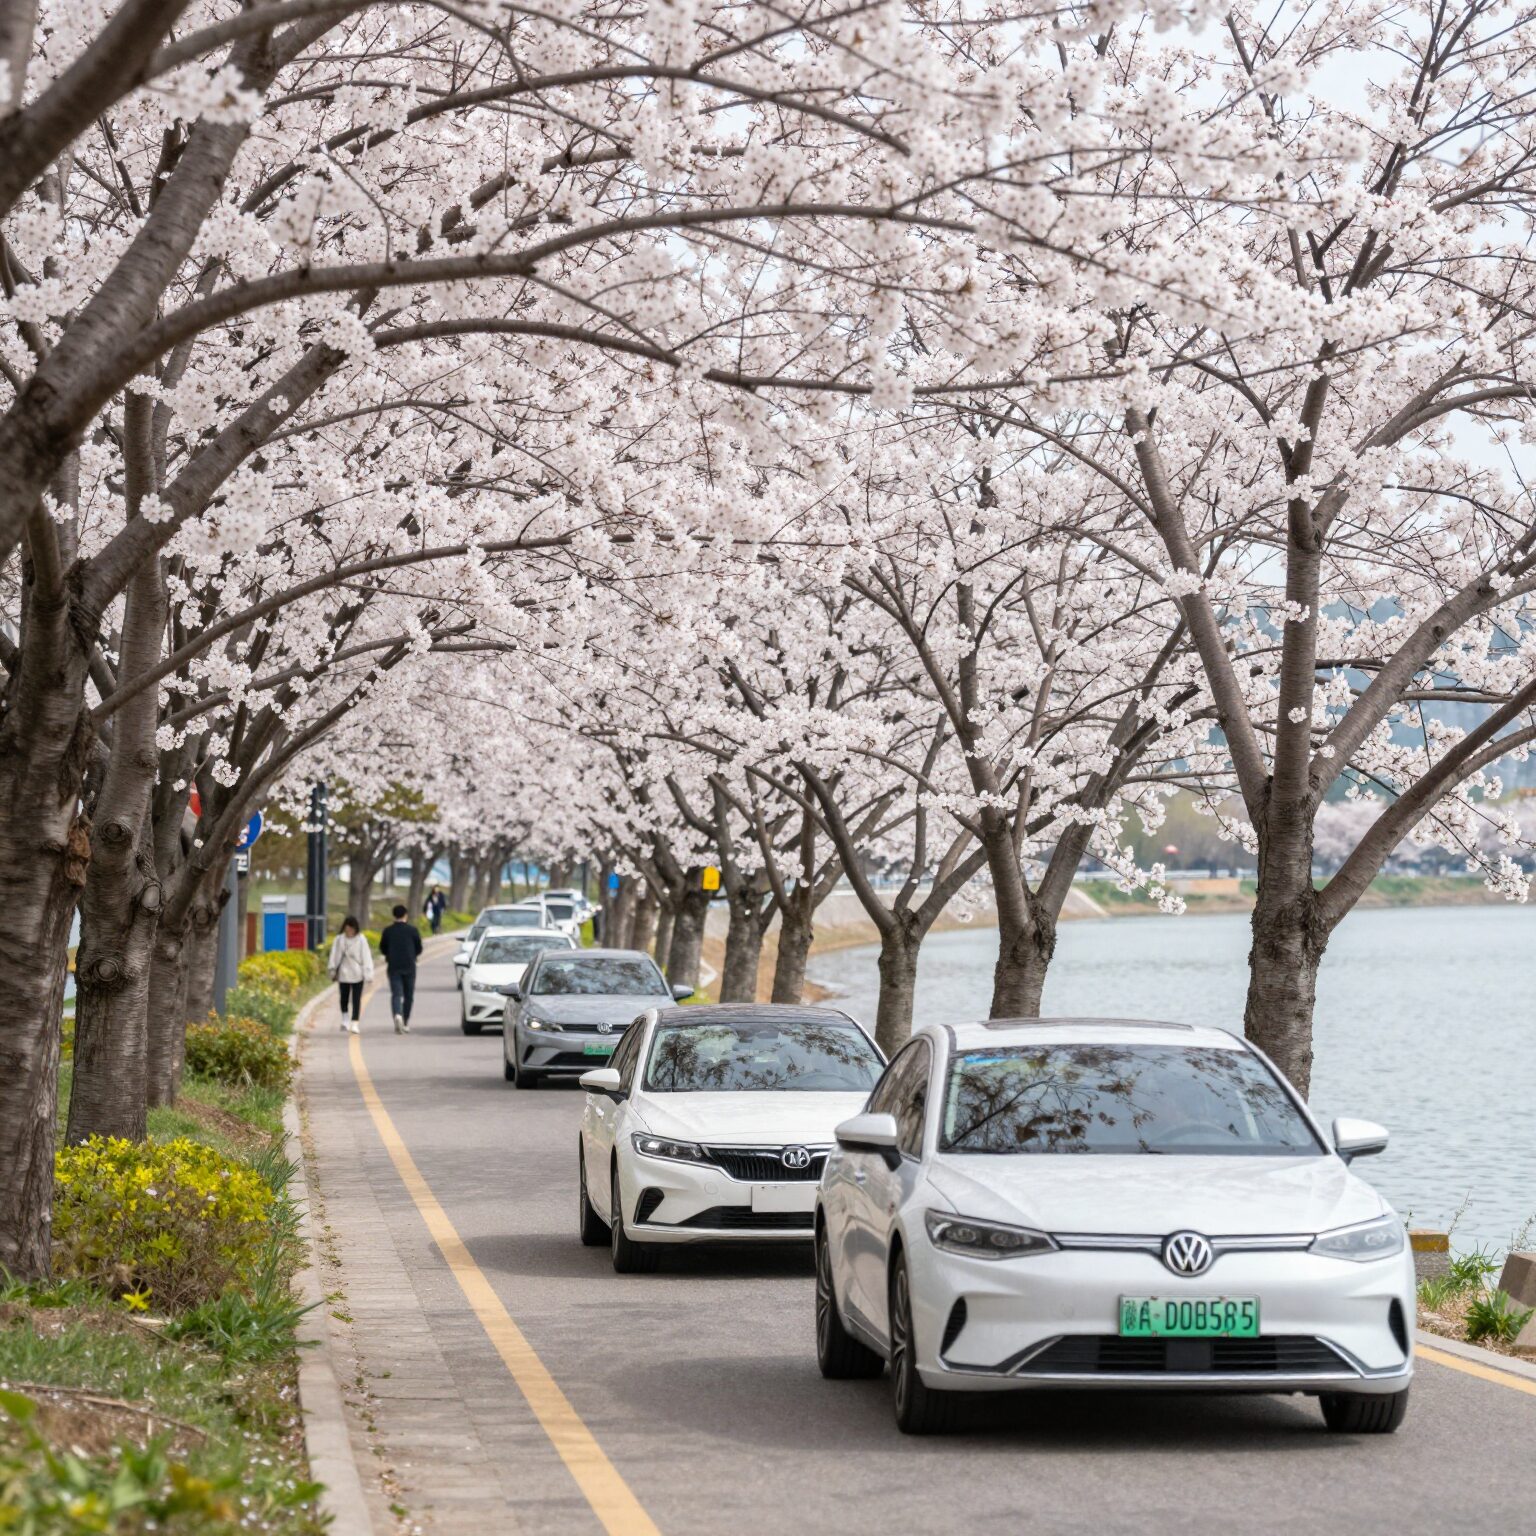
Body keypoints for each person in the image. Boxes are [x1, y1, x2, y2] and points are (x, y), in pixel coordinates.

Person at [378, 903, 423, 1034]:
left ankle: (397, 1014)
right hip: (409, 965)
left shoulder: (388, 931)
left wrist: (390, 954)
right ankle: (405, 1020)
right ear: (405, 915)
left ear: (394, 915)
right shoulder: (412, 930)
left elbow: (383, 948)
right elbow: (419, 948)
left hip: (393, 966)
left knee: (396, 994)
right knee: (409, 995)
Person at [327, 916, 373, 1035]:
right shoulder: (339, 939)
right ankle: (345, 1019)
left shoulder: (361, 939)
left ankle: (355, 1022)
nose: (349, 932)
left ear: (355, 929)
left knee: (356, 999)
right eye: (347, 930)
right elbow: (334, 955)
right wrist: (332, 969)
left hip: (357, 972)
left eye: (351, 930)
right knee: (344, 998)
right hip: (343, 972)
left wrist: (368, 973)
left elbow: (366, 957)